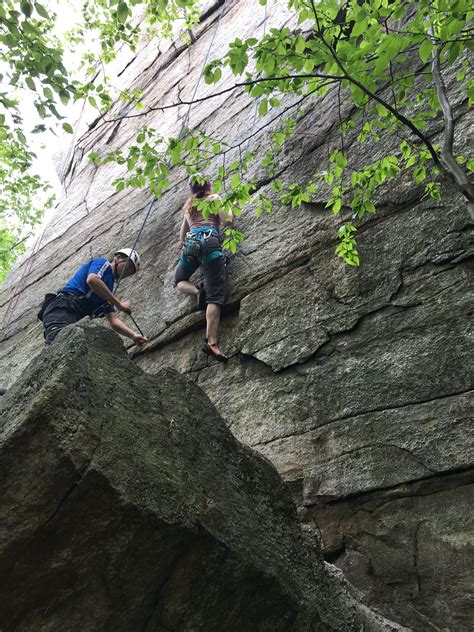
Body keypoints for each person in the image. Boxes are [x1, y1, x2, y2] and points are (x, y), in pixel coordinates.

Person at [38, 248, 148, 347]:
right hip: (63, 309)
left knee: (70, 348)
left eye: (130, 272)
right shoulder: (102, 263)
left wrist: (133, 335)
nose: (127, 272)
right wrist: (119, 304)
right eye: (128, 266)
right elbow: (92, 280)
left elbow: (113, 320)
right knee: (58, 344)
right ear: (118, 258)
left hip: (73, 316)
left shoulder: (108, 290)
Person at [174, 176, 233, 362]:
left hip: (191, 247)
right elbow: (228, 220)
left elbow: (181, 237)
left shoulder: (188, 206)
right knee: (215, 295)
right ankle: (212, 342)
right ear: (209, 187)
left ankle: (196, 290)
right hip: (210, 244)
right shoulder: (214, 199)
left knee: (179, 281)